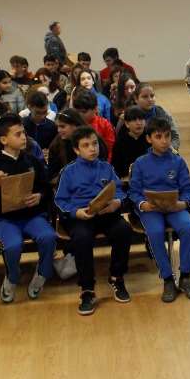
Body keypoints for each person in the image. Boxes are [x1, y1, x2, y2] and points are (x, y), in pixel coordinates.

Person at [54, 126, 134, 315]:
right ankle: (87, 288)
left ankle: (116, 277)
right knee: (82, 239)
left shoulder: (106, 167)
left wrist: (117, 203)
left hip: (106, 213)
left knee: (123, 231)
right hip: (82, 216)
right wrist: (76, 213)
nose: (92, 149)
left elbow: (121, 191)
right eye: (86, 145)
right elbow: (60, 201)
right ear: (76, 150)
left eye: (95, 144)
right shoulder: (68, 172)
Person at [0, 114, 57, 304]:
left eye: (23, 133)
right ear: (3, 140)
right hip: (5, 218)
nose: (23, 137)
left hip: (31, 215)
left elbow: (46, 188)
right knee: (13, 245)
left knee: (48, 237)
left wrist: (39, 196)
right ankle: (12, 278)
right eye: (17, 134)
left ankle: (42, 274)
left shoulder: (32, 160)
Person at [129, 117, 190, 303]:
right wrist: (143, 204)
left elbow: (188, 189)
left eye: (167, 136)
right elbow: (134, 192)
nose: (164, 141)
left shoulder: (178, 161)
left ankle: (185, 276)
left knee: (187, 227)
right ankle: (168, 278)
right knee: (155, 231)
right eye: (158, 137)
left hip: (175, 207)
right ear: (149, 139)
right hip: (151, 209)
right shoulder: (140, 163)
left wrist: (183, 203)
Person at [132, 83, 179, 152]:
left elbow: (175, 136)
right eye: (145, 97)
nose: (150, 99)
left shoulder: (163, 113)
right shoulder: (129, 116)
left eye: (152, 96)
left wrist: (169, 149)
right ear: (136, 99)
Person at [71, 90, 116, 161]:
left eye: (84, 112)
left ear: (95, 109)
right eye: (77, 112)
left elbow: (109, 149)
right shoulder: (73, 124)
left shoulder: (105, 124)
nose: (80, 115)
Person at [111, 106, 150, 179]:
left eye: (141, 119)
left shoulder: (150, 138)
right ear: (127, 124)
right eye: (134, 120)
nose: (139, 123)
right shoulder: (120, 142)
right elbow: (116, 166)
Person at [46, 109, 80, 180]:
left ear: (75, 125)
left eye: (62, 126)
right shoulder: (56, 145)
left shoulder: (89, 139)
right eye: (58, 127)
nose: (58, 130)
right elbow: (52, 175)